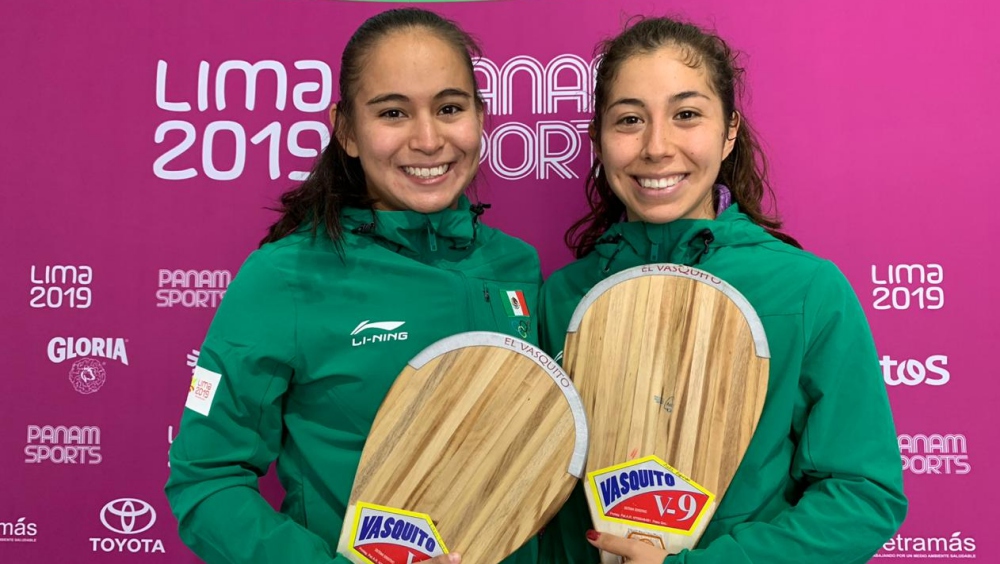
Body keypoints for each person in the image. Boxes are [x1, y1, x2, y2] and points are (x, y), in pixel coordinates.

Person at [165, 8, 543, 564]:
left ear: (479, 117)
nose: (428, 138)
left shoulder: (518, 266)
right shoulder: (284, 276)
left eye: (449, 108)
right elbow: (205, 480)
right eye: (393, 112)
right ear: (347, 130)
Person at [538, 16, 907, 564]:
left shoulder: (808, 288)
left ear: (729, 130)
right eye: (629, 120)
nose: (657, 146)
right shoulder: (564, 294)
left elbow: (862, 495)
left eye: (686, 115)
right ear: (598, 139)